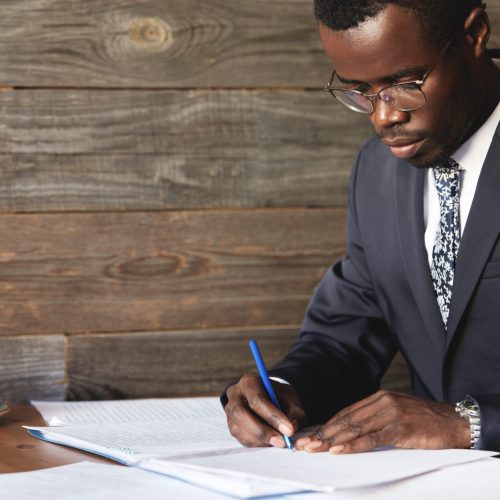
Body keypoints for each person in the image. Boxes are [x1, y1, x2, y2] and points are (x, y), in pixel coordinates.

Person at [222, 0, 500, 454]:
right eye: (358, 91)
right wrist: (282, 390)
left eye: (404, 83)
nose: (383, 116)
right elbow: (348, 335)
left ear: (474, 35)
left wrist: (468, 423)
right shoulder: (377, 170)